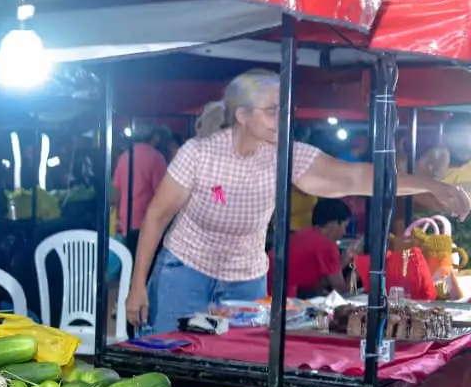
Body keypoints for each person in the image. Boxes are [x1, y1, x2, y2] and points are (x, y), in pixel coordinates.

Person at [126, 69, 469, 334]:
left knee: (237, 369)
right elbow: (157, 215)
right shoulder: (199, 153)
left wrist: (430, 184)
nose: (283, 118)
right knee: (173, 360)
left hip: (246, 280)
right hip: (185, 271)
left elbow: (353, 177)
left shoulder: (285, 156)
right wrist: (137, 285)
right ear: (243, 115)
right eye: (272, 110)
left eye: (285, 109)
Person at [268, 198, 350, 298]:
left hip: (270, 291)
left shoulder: (302, 234)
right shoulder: (327, 246)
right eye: (345, 227)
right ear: (333, 224)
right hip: (284, 299)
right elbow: (341, 290)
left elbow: (319, 283)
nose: (344, 233)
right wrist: (347, 261)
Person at [111, 136, 167, 251]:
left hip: (126, 221)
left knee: (129, 262)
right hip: (147, 224)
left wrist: (118, 219)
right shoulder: (156, 157)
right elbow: (162, 194)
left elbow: (116, 192)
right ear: (155, 139)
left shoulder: (124, 157)